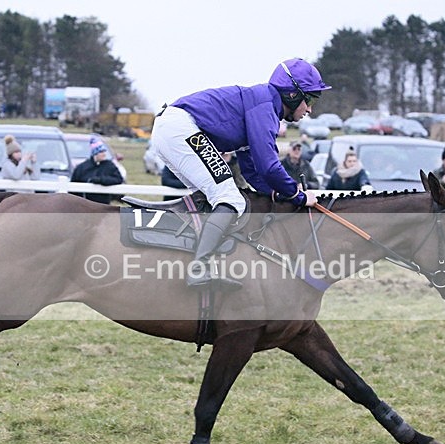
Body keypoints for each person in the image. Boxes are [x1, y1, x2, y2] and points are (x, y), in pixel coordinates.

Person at [150, 57, 330, 291]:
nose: (310, 109)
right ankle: (198, 268)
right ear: (293, 95)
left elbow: (252, 171)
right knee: (230, 198)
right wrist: (297, 194)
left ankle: (191, 259)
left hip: (173, 128)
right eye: (311, 99)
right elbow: (269, 166)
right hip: (181, 129)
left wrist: (275, 194)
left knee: (215, 198)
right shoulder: (265, 107)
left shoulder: (263, 105)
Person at [70, 138, 123, 204]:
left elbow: (119, 179)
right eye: (101, 152)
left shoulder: (110, 165)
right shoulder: (82, 167)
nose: (104, 154)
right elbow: (73, 186)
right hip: (85, 204)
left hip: (104, 204)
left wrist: (101, 180)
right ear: (95, 153)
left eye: (104, 151)